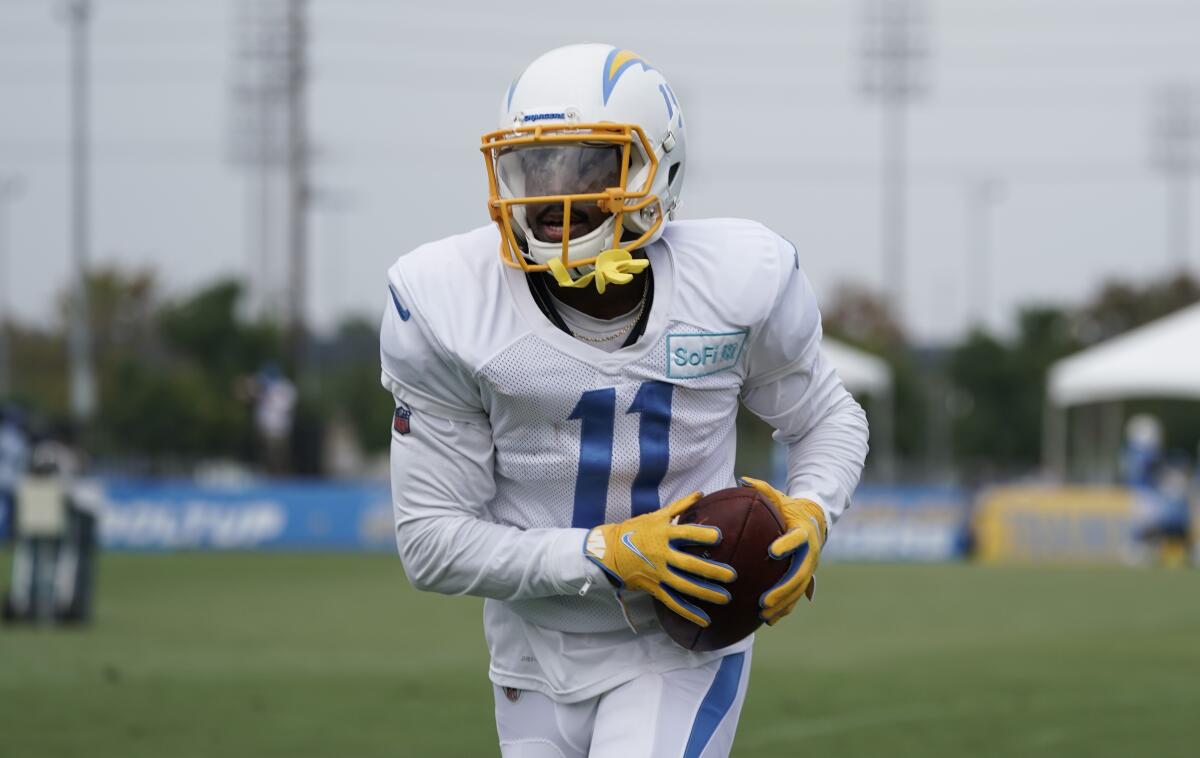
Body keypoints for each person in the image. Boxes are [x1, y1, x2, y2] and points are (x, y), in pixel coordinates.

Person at [379, 44, 869, 757]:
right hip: (530, 655)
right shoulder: (445, 303)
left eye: (585, 165)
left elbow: (826, 417)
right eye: (534, 166)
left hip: (681, 647)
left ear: (655, 168)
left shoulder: (736, 280)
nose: (553, 193)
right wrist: (607, 554)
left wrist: (813, 512)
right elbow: (429, 543)